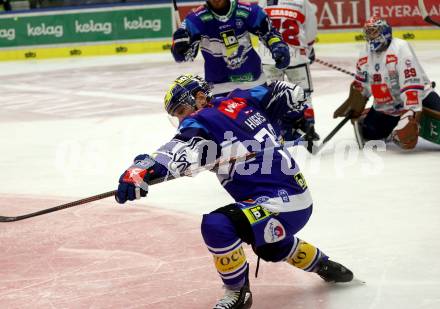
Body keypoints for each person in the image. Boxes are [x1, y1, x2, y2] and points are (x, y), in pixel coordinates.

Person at [115, 74, 354, 309]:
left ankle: (238, 293)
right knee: (267, 243)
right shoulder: (242, 99)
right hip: (298, 199)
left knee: (217, 226)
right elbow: (288, 92)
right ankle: (323, 264)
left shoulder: (201, 121)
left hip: (279, 205)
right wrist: (289, 121)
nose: (181, 120)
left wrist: (141, 169)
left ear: (199, 98)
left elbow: (178, 153)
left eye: (180, 111)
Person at [334, 16, 440, 150]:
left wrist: (411, 113)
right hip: (389, 105)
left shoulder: (400, 47)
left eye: (373, 32)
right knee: (370, 134)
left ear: (385, 31)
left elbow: (411, 83)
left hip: (421, 96)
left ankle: (413, 117)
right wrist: (355, 101)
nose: (369, 37)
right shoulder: (364, 53)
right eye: (367, 33)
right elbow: (363, 85)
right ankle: (386, 124)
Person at [171, 0, 290, 96]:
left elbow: (269, 33)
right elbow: (184, 57)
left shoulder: (247, 10)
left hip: (254, 83)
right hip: (218, 88)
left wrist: (278, 46)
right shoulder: (195, 19)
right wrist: (179, 47)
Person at [258, 0, 320, 140]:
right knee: (304, 95)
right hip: (297, 56)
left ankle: (274, 132)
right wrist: (308, 48)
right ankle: (308, 128)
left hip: (269, 57)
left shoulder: (263, 2)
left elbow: (258, 27)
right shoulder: (301, 2)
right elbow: (311, 29)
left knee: (272, 96)